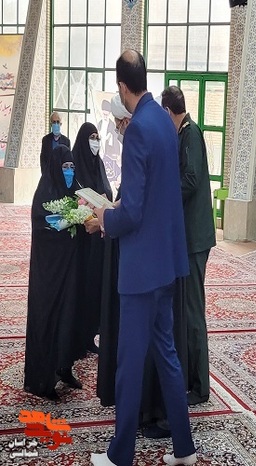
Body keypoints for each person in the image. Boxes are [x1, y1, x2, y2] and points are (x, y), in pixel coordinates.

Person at [90, 50, 196, 466]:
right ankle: (184, 447)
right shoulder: (164, 122)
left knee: (129, 365)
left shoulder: (137, 130)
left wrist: (104, 217)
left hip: (141, 270)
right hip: (165, 263)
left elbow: (132, 212)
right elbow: (156, 196)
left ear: (121, 86)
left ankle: (120, 456)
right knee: (167, 355)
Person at [140, 85, 216, 438]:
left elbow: (191, 179)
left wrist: (162, 192)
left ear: (171, 112)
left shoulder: (190, 134)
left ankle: (200, 385)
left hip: (195, 240)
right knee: (186, 309)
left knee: (192, 310)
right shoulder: (183, 133)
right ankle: (192, 378)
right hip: (187, 238)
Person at [24, 145, 82, 401]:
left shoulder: (74, 193)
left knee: (69, 317)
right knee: (48, 318)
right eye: (64, 167)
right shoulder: (44, 193)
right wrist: (61, 225)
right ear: (54, 169)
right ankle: (42, 380)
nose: (69, 172)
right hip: (48, 274)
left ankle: (64, 368)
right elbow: (41, 227)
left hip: (69, 271)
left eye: (72, 167)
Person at [94, 94, 130, 408]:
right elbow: (127, 199)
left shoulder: (138, 147)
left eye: (119, 123)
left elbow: (133, 211)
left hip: (138, 264)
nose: (117, 129)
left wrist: (105, 218)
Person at [73, 122, 113, 357]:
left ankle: (90, 336)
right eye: (92, 137)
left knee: (95, 287)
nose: (95, 142)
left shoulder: (99, 165)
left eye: (98, 137)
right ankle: (76, 338)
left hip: (98, 239)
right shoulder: (75, 166)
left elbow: (107, 193)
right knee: (81, 287)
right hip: (82, 241)